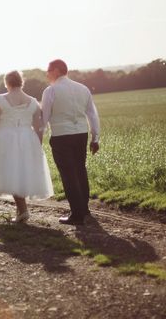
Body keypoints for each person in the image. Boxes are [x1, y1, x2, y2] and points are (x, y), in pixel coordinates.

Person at [0, 70, 54, 223]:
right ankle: (20, 211)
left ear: (7, 83)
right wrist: (37, 146)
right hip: (28, 138)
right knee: (20, 171)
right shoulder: (33, 102)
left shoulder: (0, 99)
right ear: (21, 82)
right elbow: (39, 127)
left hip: (5, 138)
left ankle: (23, 211)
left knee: (10, 171)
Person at [40, 59, 100, 226]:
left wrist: (37, 137)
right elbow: (93, 115)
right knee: (80, 170)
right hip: (81, 134)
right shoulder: (83, 89)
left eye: (48, 71)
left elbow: (44, 118)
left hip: (61, 136)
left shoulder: (50, 91)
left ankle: (77, 214)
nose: (46, 74)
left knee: (68, 174)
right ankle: (84, 209)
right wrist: (95, 138)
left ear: (57, 70)